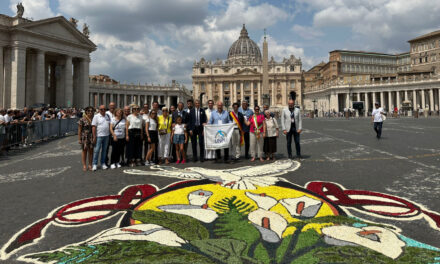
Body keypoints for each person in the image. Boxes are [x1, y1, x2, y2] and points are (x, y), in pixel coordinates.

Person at [92, 105, 111, 171]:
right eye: (101, 109)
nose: (103, 110)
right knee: (97, 150)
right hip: (99, 136)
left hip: (106, 135)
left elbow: (109, 125)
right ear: (99, 110)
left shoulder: (107, 116)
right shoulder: (96, 116)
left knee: (104, 151)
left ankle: (103, 163)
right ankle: (94, 164)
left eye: (104, 109)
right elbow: (94, 127)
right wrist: (94, 136)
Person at [78, 106, 94, 171]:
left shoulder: (94, 119)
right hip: (84, 136)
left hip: (91, 136)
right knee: (84, 151)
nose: (90, 112)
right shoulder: (82, 119)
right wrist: (79, 139)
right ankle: (84, 165)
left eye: (91, 111)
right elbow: (79, 130)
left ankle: (90, 165)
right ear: (86, 112)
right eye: (88, 111)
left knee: (91, 151)